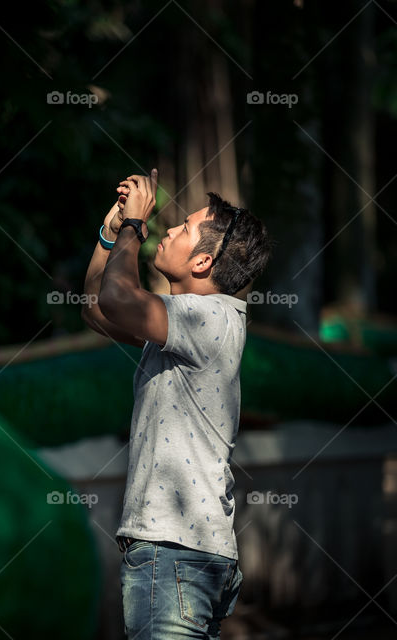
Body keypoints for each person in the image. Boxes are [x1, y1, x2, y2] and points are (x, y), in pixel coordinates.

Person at [81, 169, 272, 639]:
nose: (168, 230)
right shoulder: (185, 323)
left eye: (184, 229)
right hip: (186, 554)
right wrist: (110, 235)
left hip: (174, 553)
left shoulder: (207, 318)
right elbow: (95, 306)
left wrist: (133, 225)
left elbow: (118, 296)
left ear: (204, 261)